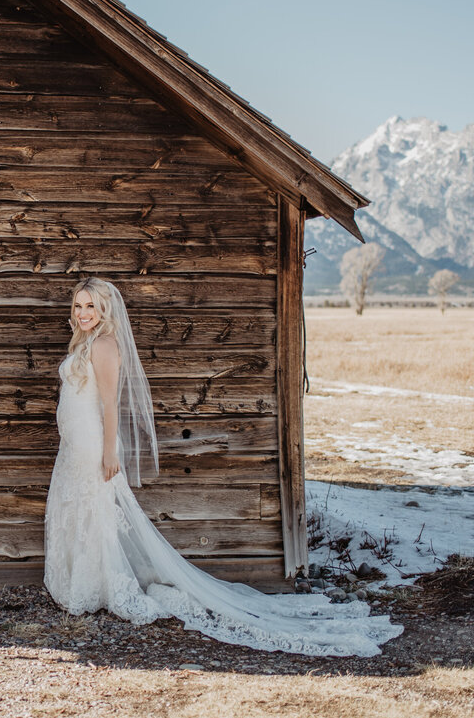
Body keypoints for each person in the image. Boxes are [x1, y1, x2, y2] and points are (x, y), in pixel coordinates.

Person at [44, 277, 402, 656]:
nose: (83, 314)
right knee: (79, 509)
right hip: (74, 442)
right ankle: (81, 582)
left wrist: (109, 451)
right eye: (79, 306)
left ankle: (96, 585)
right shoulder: (84, 342)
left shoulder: (103, 344)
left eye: (90, 307)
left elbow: (111, 404)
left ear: (104, 310)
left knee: (94, 510)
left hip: (91, 443)